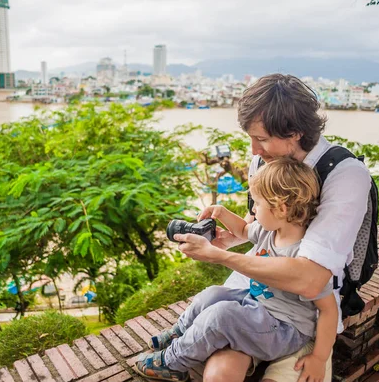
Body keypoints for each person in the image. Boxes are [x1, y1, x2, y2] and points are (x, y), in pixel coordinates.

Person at [174, 74, 372, 382]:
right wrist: (228, 239)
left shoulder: (345, 176)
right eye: (251, 138)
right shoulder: (266, 162)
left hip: (303, 315)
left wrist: (221, 258)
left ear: (295, 133)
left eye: (261, 139)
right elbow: (262, 226)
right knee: (218, 374)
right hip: (252, 295)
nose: (254, 150)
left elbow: (310, 280)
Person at [134, 157, 338, 382]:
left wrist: (319, 358)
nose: (253, 209)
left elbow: (329, 310)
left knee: (221, 317)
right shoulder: (269, 230)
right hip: (258, 304)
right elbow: (242, 229)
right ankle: (180, 332)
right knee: (213, 294)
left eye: (257, 204)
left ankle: (173, 363)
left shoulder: (304, 255)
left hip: (284, 330)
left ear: (281, 208)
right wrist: (221, 213)